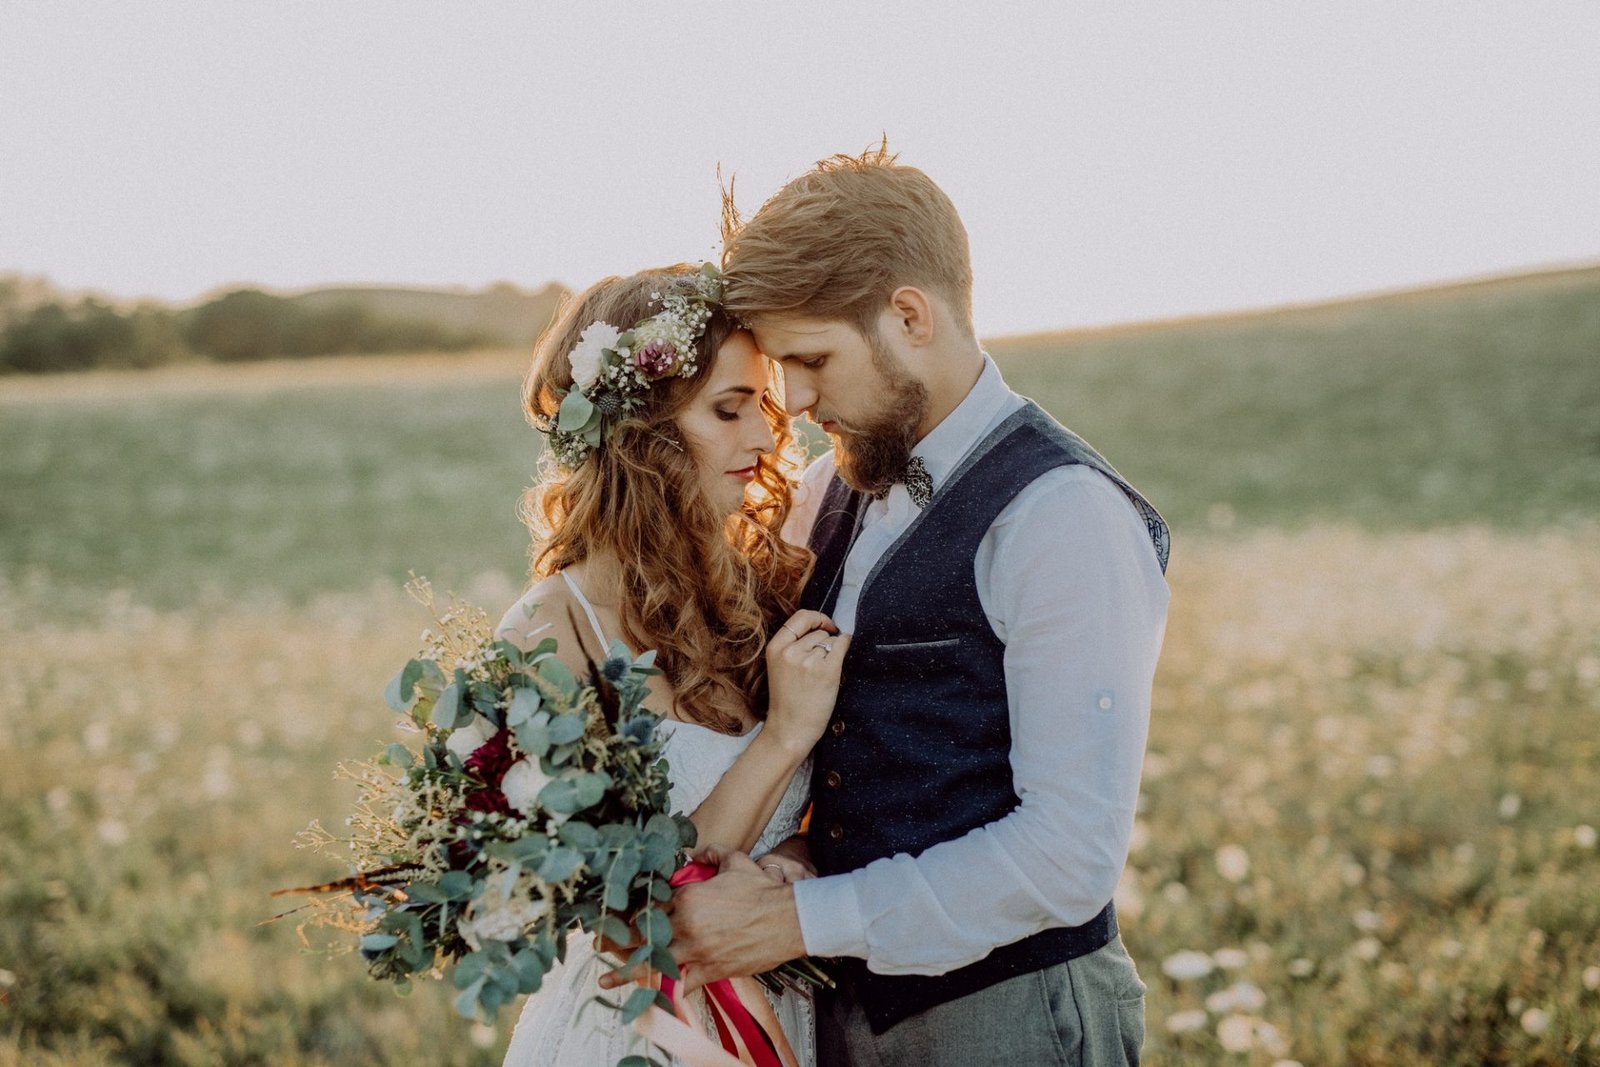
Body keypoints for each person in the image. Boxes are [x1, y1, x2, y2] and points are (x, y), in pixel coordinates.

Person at [664, 145, 1172, 1066]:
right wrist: (804, 858)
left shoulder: (1062, 516)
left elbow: (1067, 856)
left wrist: (797, 917)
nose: (799, 400)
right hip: (850, 1016)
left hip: (1010, 1017)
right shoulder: (829, 487)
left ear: (909, 316)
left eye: (812, 359)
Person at [496, 264, 843, 1067]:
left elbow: (838, 808)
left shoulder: (764, 590)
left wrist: (798, 861)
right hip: (634, 1036)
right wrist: (781, 736)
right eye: (728, 410)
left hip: (782, 1022)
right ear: (640, 429)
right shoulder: (550, 634)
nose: (763, 439)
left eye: (761, 407)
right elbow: (651, 899)